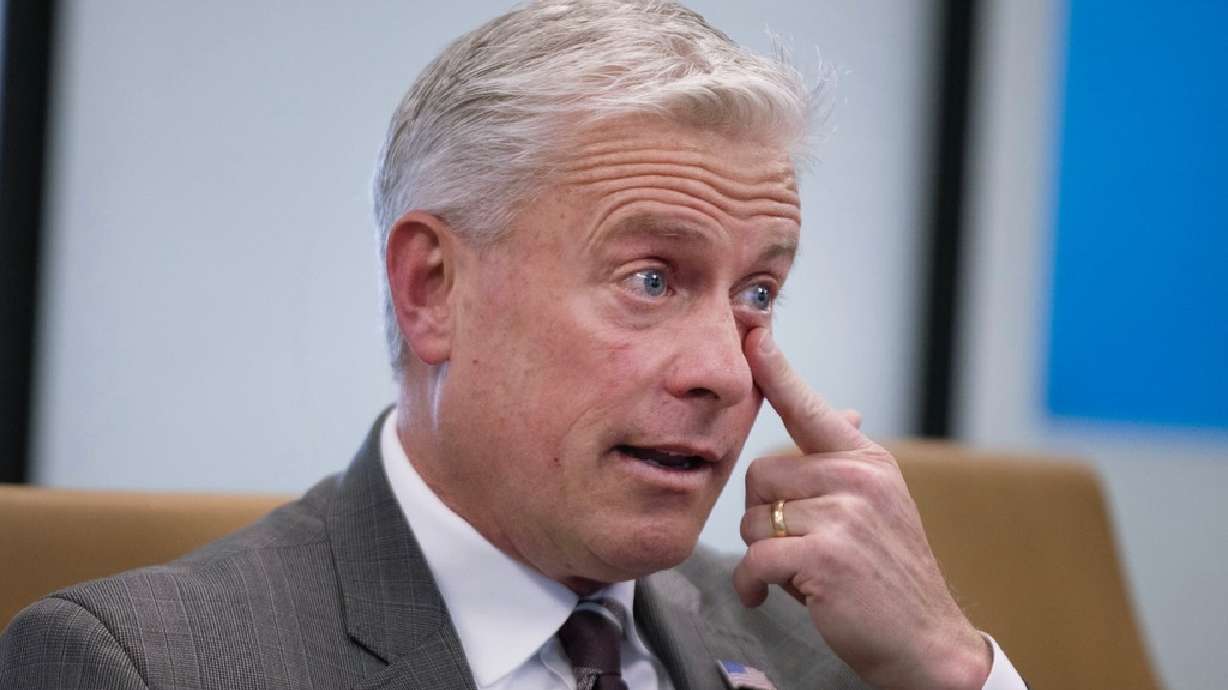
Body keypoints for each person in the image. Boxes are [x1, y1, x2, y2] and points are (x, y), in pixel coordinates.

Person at [0, 2, 1027, 688]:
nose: (722, 370)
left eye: (758, 291)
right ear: (431, 290)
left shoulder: (822, 650)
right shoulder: (142, 667)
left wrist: (949, 666)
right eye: (651, 279)